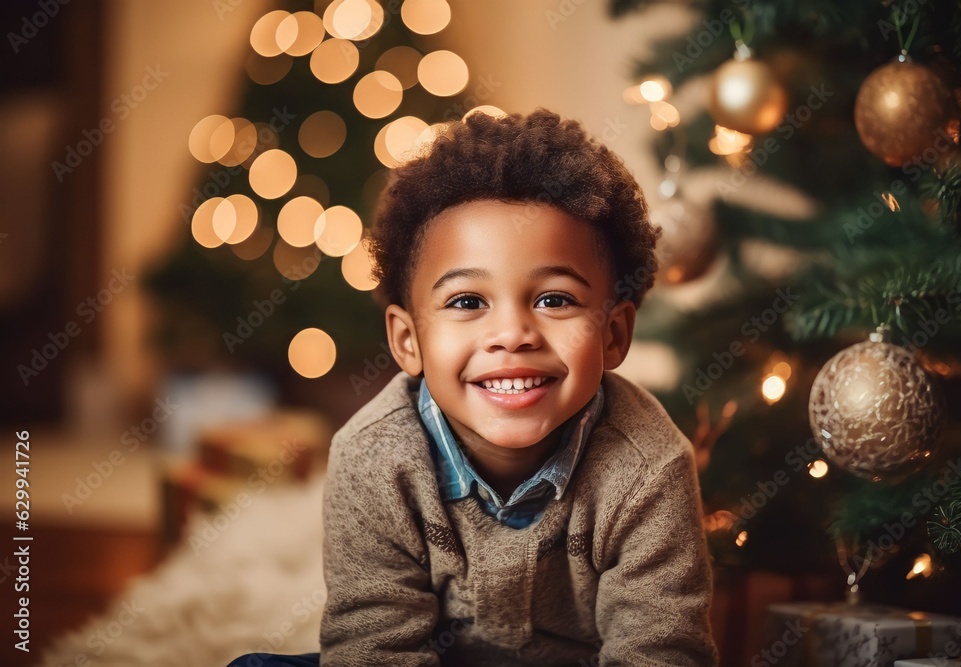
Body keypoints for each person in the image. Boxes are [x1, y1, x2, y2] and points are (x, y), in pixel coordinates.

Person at [229, 109, 717, 667]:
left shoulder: (650, 467)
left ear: (614, 334)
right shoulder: (372, 457)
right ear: (407, 341)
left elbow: (660, 653)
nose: (511, 334)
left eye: (554, 299)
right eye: (467, 302)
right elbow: (376, 648)